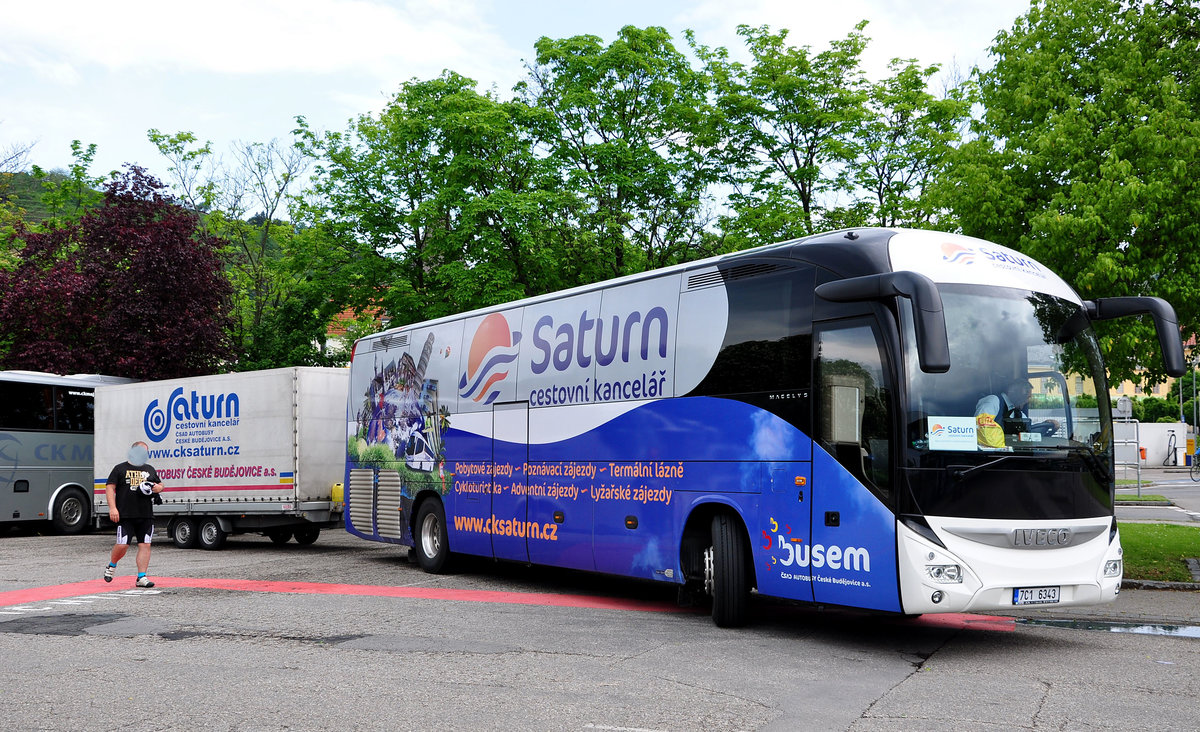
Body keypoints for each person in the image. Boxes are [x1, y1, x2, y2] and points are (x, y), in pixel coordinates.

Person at [102, 441, 164, 587]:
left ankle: (141, 577)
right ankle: (112, 565)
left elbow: (161, 485)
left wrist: (157, 488)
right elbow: (110, 488)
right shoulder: (120, 469)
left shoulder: (150, 469)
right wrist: (112, 508)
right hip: (125, 515)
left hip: (145, 515)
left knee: (145, 545)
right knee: (123, 544)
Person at [975, 379, 1060, 449]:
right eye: (1025, 394)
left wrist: (1046, 425)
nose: (1027, 400)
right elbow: (981, 428)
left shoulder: (1018, 413)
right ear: (1011, 391)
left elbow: (1029, 433)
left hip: (1013, 457)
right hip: (990, 458)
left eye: (1029, 397)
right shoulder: (993, 401)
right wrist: (1006, 445)